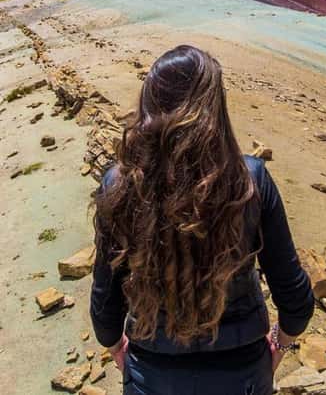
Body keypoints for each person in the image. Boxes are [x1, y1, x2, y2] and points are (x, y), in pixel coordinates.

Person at [90, 45, 314, 394]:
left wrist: (117, 349)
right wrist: (279, 347)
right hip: (243, 375)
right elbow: (295, 297)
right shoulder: (249, 180)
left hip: (152, 373)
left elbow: (105, 301)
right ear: (215, 108)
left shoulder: (119, 184)